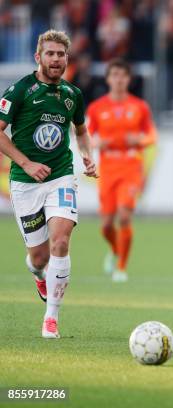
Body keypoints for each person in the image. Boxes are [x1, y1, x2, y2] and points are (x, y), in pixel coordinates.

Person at [0, 30, 98, 339]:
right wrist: (26, 163)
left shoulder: (73, 94)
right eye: (50, 53)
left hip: (60, 175)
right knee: (40, 257)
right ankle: (38, 273)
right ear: (38, 57)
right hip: (24, 182)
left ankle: (51, 318)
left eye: (61, 54)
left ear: (68, 59)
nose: (56, 59)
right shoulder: (19, 91)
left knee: (61, 241)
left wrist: (86, 156)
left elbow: (81, 130)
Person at [86, 59, 156, 282]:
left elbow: (152, 136)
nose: (118, 79)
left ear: (128, 79)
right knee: (106, 225)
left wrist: (140, 140)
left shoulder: (139, 106)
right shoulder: (97, 108)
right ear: (108, 78)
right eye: (114, 74)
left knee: (124, 216)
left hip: (130, 166)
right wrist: (96, 143)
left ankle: (121, 267)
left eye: (123, 75)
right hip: (107, 168)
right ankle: (115, 250)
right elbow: (85, 136)